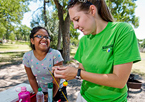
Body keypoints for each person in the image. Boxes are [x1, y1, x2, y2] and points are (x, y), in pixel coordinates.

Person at [52, 0, 141, 102]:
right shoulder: (83, 40)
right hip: (83, 97)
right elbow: (82, 70)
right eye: (73, 21)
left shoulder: (122, 31)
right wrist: (66, 72)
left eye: (76, 19)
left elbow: (120, 81)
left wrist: (78, 73)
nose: (75, 26)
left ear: (92, 10)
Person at [23, 26, 67, 102]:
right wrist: (39, 94)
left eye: (47, 37)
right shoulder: (27, 57)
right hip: (41, 90)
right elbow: (31, 79)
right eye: (39, 36)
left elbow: (57, 78)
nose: (44, 39)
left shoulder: (55, 54)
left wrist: (50, 96)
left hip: (58, 90)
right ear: (32, 41)